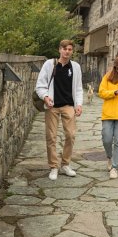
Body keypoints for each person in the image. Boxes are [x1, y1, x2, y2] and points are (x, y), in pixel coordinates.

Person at [36, 39, 83, 181]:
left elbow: (79, 88)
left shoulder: (75, 67)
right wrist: (45, 97)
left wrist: (79, 104)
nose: (67, 51)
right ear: (59, 50)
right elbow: (40, 85)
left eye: (69, 49)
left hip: (68, 105)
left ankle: (65, 164)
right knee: (51, 137)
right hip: (52, 106)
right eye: (64, 49)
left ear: (72, 51)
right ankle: (53, 166)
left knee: (70, 135)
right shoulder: (50, 64)